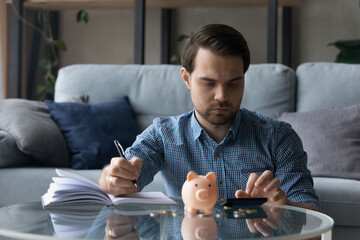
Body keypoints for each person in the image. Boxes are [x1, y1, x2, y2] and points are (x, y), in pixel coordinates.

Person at [98, 24, 320, 211]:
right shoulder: (163, 135)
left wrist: (283, 209)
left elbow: (313, 217)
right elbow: (121, 180)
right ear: (186, 78)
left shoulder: (278, 137)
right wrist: (112, 177)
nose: (222, 96)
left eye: (233, 83)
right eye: (208, 83)